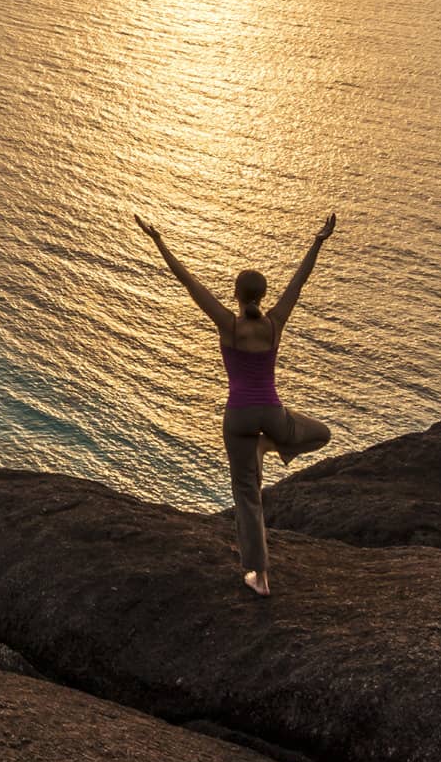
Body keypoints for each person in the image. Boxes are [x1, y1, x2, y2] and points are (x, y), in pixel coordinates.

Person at [136, 211, 337, 598]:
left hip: (238, 417)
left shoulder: (228, 325)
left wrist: (158, 240)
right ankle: (271, 445)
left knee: (247, 497)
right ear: (262, 295)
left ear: (236, 295)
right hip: (273, 414)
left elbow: (187, 281)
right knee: (321, 433)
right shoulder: (275, 322)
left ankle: (259, 578)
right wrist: (318, 240)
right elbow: (301, 279)